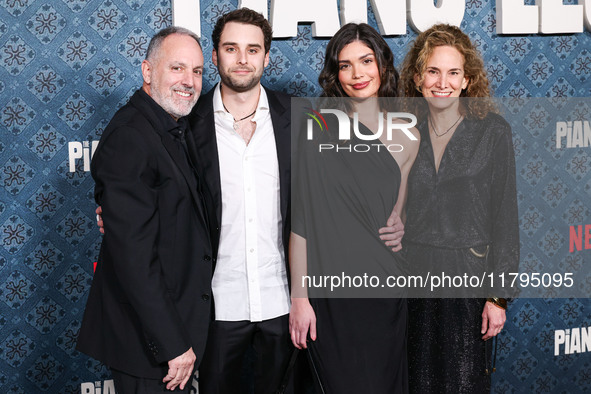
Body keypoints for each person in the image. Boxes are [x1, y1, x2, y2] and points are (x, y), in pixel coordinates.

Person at [77, 27, 213, 393]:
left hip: (171, 331)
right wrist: (173, 344)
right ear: (147, 72)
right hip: (151, 345)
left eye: (198, 71)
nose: (189, 81)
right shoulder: (131, 136)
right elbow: (134, 258)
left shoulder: (170, 126)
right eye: (177, 68)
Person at [289, 23, 419, 393]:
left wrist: (401, 227)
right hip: (332, 294)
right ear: (335, 74)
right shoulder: (318, 127)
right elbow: (302, 222)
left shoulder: (408, 135)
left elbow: (397, 212)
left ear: (382, 64)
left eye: (366, 61)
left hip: (385, 289)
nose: (358, 74)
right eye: (345, 65)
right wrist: (300, 298)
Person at [397, 24, 519, 393]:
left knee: (463, 382)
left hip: (469, 276)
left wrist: (498, 296)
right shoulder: (402, 128)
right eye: (433, 71)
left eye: (453, 73)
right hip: (412, 275)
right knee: (415, 380)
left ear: (467, 80)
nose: (442, 82)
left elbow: (506, 220)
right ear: (418, 77)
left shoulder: (492, 131)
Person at [187, 9, 296, 393]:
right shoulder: (187, 125)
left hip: (283, 302)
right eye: (231, 48)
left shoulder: (298, 117)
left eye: (253, 49)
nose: (243, 59)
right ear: (214, 56)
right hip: (218, 303)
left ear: (267, 57)